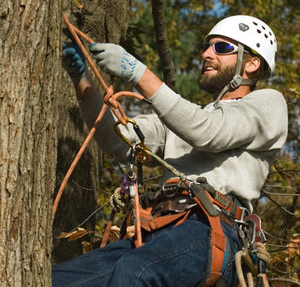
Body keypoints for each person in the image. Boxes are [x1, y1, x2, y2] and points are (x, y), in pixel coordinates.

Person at [53, 15, 288, 286]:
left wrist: (137, 72)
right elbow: (120, 140)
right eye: (207, 47)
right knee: (58, 279)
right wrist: (83, 81)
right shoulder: (190, 117)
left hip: (212, 229)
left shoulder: (268, 104)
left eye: (221, 48)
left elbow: (208, 132)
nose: (206, 54)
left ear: (252, 63)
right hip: (162, 229)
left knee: (135, 271)